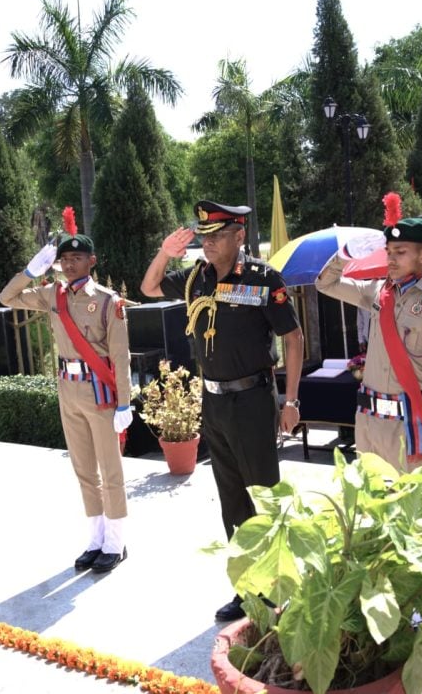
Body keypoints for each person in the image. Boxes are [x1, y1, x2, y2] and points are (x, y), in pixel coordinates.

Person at [140, 200, 303, 622]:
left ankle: (278, 590)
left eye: (217, 235)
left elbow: (294, 338)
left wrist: (290, 400)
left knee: (262, 496)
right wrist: (165, 252)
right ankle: (247, 590)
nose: (209, 243)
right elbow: (149, 287)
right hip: (214, 402)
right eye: (204, 236)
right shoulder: (196, 278)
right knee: (232, 501)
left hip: (252, 399)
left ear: (239, 236)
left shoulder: (263, 280)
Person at [0, 231, 133, 574]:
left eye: (77, 258)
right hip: (68, 390)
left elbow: (120, 356)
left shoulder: (107, 301)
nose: (69, 265)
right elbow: (6, 298)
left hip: (99, 391)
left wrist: (124, 403)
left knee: (110, 470)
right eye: (64, 260)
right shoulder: (51, 295)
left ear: (92, 260)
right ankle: (95, 537)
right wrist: (30, 272)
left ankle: (116, 541)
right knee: (84, 469)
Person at [315, 196, 422, 474]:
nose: (391, 259)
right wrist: (344, 255)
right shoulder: (376, 292)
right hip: (368, 421)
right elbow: (325, 284)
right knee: (372, 507)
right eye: (389, 251)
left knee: (409, 510)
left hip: (408, 427)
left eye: (400, 252)